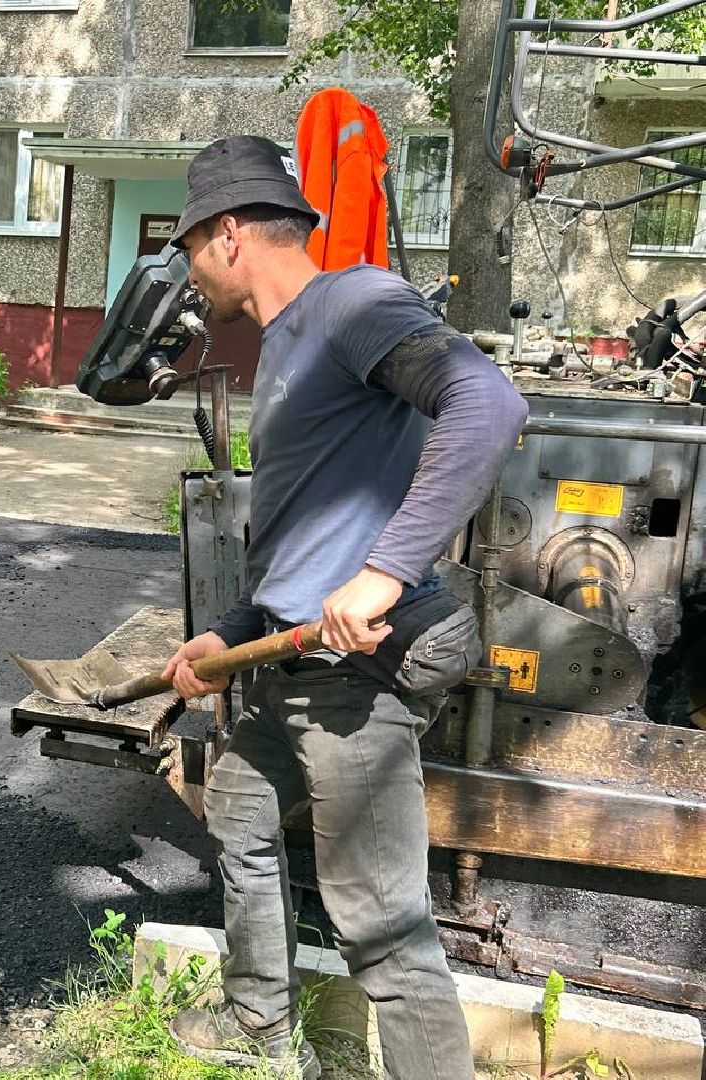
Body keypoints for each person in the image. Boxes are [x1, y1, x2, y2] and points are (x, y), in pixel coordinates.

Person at [159, 136, 528, 1079]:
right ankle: (261, 1035)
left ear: (229, 235)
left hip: (355, 671)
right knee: (239, 817)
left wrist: (388, 570)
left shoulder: (352, 303)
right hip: (287, 663)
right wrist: (229, 633)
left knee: (381, 928)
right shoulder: (285, 344)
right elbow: (296, 540)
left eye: (191, 246)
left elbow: (486, 404)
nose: (191, 274)